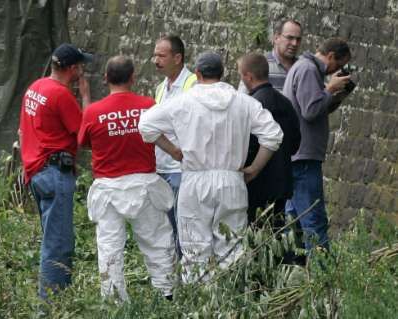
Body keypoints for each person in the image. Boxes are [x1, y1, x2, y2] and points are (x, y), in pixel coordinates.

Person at [139, 51, 283, 283]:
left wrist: (174, 151)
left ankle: (200, 304)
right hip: (232, 181)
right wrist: (254, 169)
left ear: (197, 74)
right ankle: (229, 306)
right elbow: (273, 135)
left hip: (195, 180)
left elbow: (146, 125)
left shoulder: (182, 102)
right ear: (222, 73)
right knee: (233, 250)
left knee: (195, 252)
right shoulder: (244, 102)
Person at [78, 56, 175, 301]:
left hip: (108, 189)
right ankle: (167, 294)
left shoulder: (93, 112)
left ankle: (114, 302)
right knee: (158, 244)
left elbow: (85, 143)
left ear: (105, 79)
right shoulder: (148, 105)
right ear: (133, 78)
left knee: (110, 250)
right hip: (145, 186)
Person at [19, 43, 92, 299]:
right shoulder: (61, 95)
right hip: (54, 173)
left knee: (54, 238)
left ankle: (56, 299)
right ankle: (51, 306)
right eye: (81, 67)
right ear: (72, 69)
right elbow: (84, 135)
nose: (82, 71)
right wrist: (84, 96)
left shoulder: (35, 87)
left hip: (36, 171)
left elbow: (24, 132)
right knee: (58, 244)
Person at [282, 37, 353, 252]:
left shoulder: (305, 68)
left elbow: (316, 108)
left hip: (297, 155)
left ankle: (294, 271)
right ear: (330, 56)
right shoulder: (308, 70)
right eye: (338, 66)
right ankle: (323, 278)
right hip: (303, 158)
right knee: (314, 220)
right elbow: (311, 111)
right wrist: (330, 89)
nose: (336, 71)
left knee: (293, 221)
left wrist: (337, 96)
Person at [238, 53, 301, 230]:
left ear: (248, 76)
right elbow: (296, 143)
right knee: (275, 232)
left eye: (241, 75)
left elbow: (246, 144)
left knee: (254, 234)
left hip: (256, 182)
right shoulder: (286, 103)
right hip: (282, 181)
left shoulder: (251, 105)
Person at [152, 34, 197, 258]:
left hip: (180, 167)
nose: (156, 60)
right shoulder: (162, 87)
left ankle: (184, 275)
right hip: (162, 166)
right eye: (155, 55)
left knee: (183, 225)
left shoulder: (192, 85)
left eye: (161, 55)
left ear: (177, 58)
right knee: (167, 225)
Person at [239, 19, 302, 93]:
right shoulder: (258, 65)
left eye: (298, 39)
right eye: (290, 38)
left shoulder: (302, 67)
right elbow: (242, 99)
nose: (295, 43)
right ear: (276, 38)